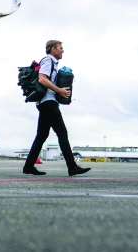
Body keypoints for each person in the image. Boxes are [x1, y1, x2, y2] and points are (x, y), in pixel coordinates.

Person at [22, 40, 90, 177]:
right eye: (60, 48)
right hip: (48, 102)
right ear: (53, 49)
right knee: (62, 133)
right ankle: (72, 167)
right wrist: (59, 90)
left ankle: (28, 166)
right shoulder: (48, 60)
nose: (62, 50)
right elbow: (42, 79)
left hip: (45, 102)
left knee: (41, 136)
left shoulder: (52, 62)